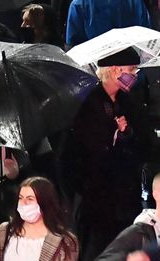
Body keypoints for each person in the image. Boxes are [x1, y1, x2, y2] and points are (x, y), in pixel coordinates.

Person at [64, 47, 150, 261]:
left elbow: (146, 144)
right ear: (114, 70)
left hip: (125, 197)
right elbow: (70, 155)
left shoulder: (129, 103)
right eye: (132, 69)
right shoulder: (85, 104)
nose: (135, 75)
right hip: (96, 203)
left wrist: (127, 134)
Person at [0, 178, 78, 261]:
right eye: (20, 198)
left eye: (30, 199)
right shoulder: (4, 231)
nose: (23, 203)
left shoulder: (65, 241)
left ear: (44, 202)